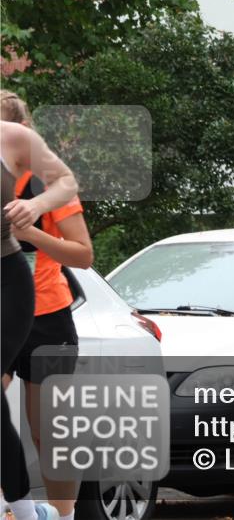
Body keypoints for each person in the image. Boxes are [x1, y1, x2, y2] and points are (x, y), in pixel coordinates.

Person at [1, 91, 93, 520]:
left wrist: (32, 232)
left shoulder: (45, 185)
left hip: (46, 316)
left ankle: (63, 514)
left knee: (49, 433)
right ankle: (14, 506)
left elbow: (83, 255)